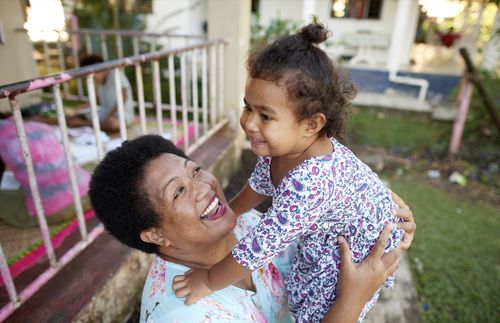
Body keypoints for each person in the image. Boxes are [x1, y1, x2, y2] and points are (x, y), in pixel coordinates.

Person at [173, 23, 405, 322]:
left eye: (265, 115)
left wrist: (207, 280)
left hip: (356, 250)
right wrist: (229, 215)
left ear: (311, 124)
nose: (250, 123)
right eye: (248, 108)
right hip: (336, 230)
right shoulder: (284, 147)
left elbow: (259, 247)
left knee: (320, 311)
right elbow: (259, 185)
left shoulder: (310, 182)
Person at [88, 135, 416, 322]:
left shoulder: (246, 225)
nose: (204, 187)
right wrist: (351, 300)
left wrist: (383, 225)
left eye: (196, 171)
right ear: (155, 235)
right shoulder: (185, 316)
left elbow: (324, 240)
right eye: (178, 192)